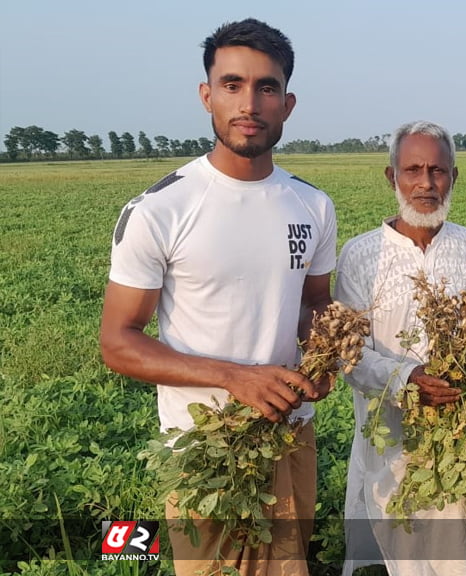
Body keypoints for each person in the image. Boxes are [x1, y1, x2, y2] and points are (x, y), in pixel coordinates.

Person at [99, 18, 337, 576]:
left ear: (288, 104)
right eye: (232, 85)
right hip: (205, 447)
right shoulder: (161, 209)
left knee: (291, 565)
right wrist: (234, 378)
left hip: (290, 433)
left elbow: (314, 304)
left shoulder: (312, 205)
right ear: (207, 96)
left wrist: (323, 356)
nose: (249, 103)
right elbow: (117, 342)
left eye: (266, 87)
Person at [334, 120, 466, 576]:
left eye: (438, 170)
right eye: (413, 170)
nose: (426, 183)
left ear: (453, 177)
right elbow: (349, 355)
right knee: (407, 541)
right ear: (391, 177)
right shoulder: (361, 254)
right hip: (393, 437)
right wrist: (406, 379)